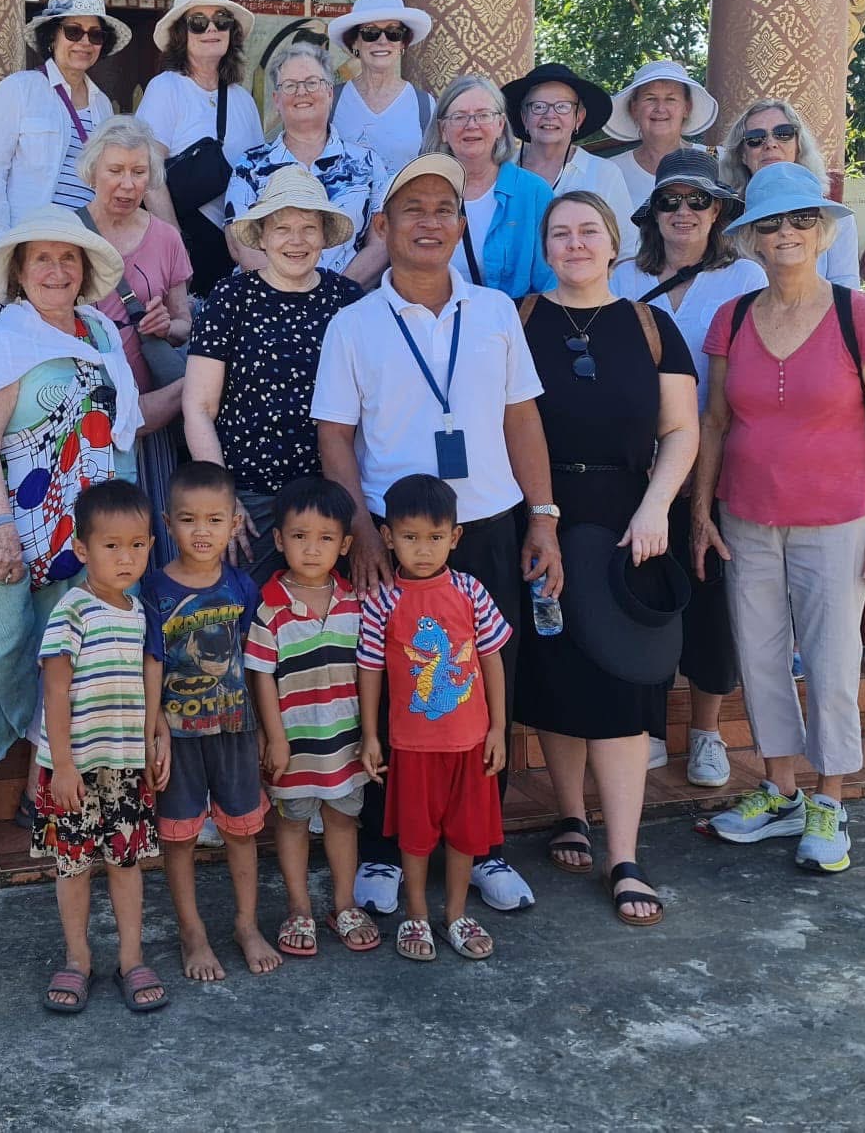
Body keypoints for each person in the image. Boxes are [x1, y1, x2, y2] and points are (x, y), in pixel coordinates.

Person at [311, 152, 562, 917]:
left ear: (461, 225)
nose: (428, 221)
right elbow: (335, 433)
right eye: (412, 209)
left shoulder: (492, 312)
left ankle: (480, 846)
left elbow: (522, 417)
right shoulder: (353, 324)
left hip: (485, 529)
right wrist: (364, 528)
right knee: (396, 695)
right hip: (397, 536)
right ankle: (389, 851)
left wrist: (543, 518)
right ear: (382, 227)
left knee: (486, 693)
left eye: (444, 208)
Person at [693, 162, 865, 875]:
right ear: (750, 238)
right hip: (747, 515)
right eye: (770, 223)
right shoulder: (732, 318)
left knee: (831, 661)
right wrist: (701, 510)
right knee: (757, 658)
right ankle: (780, 789)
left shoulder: (861, 315)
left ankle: (830, 799)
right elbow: (716, 420)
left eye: (800, 220)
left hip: (837, 519)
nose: (785, 232)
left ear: (820, 232)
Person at [0, 208, 142, 874]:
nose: (55, 270)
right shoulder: (6, 338)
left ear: (84, 272)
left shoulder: (103, 331)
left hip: (92, 535)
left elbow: (121, 425)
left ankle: (38, 789)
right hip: (16, 528)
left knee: (69, 661)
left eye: (68, 259)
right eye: (41, 259)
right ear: (21, 273)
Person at [516, 191, 698, 925]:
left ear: (615, 241)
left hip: (632, 523)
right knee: (558, 676)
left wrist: (657, 506)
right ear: (545, 247)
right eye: (560, 233)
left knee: (624, 688)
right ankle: (569, 814)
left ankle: (625, 854)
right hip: (541, 519)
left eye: (588, 230)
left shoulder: (653, 327)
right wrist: (536, 516)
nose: (575, 243)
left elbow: (682, 430)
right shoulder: (520, 320)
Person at [612, 148, 765, 787]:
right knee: (642, 595)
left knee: (711, 599)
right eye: (671, 201)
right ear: (654, 213)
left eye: (697, 200)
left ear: (719, 209)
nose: (683, 212)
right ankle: (646, 725)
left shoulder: (744, 279)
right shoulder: (621, 277)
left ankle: (705, 731)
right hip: (636, 463)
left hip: (719, 462)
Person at [357, 474, 513, 963]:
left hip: (471, 745)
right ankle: (418, 915)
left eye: (435, 538)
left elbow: (491, 659)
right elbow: (369, 667)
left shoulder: (470, 592)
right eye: (409, 537)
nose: (422, 550)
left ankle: (457, 915)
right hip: (412, 746)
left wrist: (498, 729)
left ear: (455, 536)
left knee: (467, 834)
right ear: (388, 537)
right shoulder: (384, 599)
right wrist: (370, 736)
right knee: (416, 837)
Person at [185, 167, 363, 581]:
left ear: (324, 236)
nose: (296, 240)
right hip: (250, 495)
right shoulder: (231, 298)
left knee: (328, 626)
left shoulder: (348, 300)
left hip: (331, 493)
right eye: (282, 228)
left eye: (308, 228)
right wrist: (220, 501)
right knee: (251, 622)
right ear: (262, 237)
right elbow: (198, 406)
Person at [32, 479, 169, 1014]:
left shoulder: (139, 614)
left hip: (125, 767)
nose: (126, 558)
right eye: (111, 547)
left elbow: (145, 685)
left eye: (137, 545)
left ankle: (131, 958)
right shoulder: (73, 611)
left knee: (126, 863)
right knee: (72, 866)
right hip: (75, 768)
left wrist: (154, 737)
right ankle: (77, 959)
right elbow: (55, 687)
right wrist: (62, 765)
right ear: (82, 550)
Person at [139, 462, 270, 981]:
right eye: (189, 520)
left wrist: (267, 729)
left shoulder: (243, 589)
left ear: (235, 523)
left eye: (215, 520)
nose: (201, 532)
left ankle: (246, 924)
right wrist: (155, 729)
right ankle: (192, 933)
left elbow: (260, 664)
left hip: (236, 733)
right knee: (180, 838)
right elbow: (150, 664)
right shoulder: (153, 591)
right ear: (168, 524)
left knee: (241, 832)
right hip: (180, 739)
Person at [246, 476, 376, 957]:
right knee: (294, 822)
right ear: (279, 540)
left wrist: (371, 735)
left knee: (343, 822)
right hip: (294, 745)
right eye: (300, 537)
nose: (312, 549)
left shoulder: (356, 604)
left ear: (344, 545)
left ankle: (343, 905)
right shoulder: (270, 609)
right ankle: (299, 908)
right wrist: (273, 738)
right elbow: (261, 675)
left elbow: (370, 673)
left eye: (325, 539)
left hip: (345, 743)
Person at [78, 116, 194, 561]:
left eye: (138, 172)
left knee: (148, 534)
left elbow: (184, 323)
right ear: (93, 172)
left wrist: (168, 326)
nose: (127, 184)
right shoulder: (67, 233)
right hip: (84, 416)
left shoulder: (165, 238)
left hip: (149, 417)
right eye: (115, 171)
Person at [134, 0, 266, 295]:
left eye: (221, 20)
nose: (211, 29)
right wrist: (176, 246)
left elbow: (260, 175)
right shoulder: (167, 88)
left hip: (236, 246)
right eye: (198, 22)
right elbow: (148, 171)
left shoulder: (243, 100)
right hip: (188, 240)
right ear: (182, 34)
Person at [0, 0, 128, 251]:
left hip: (86, 243)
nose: (84, 42)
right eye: (73, 31)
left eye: (95, 35)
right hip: (29, 240)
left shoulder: (102, 104)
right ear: (52, 37)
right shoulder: (20, 89)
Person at [223, 41, 388, 283]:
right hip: (268, 303)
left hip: (346, 302)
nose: (302, 92)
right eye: (290, 85)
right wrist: (293, 295)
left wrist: (333, 294)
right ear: (277, 100)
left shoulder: (367, 162)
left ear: (330, 92)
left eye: (312, 82)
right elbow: (239, 244)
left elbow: (382, 240)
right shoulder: (250, 166)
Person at [426, 74, 556, 299]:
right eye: (459, 116)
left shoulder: (534, 193)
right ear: (442, 130)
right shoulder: (420, 193)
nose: (471, 125)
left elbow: (550, 283)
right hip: (434, 325)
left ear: (500, 125)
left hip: (513, 328)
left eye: (483, 115)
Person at [718, 97, 861, 287]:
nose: (770, 144)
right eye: (755, 138)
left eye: (783, 134)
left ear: (798, 145)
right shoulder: (723, 221)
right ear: (742, 154)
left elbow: (847, 295)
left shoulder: (835, 218)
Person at [504, 61, 635, 260]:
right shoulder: (501, 170)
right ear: (524, 117)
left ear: (578, 118)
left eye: (562, 107)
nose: (550, 115)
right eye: (538, 107)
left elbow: (626, 250)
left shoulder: (603, 173)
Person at [326, 0, 436, 173]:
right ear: (355, 43)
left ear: (402, 43)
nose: (383, 41)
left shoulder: (424, 105)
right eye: (371, 32)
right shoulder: (331, 101)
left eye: (393, 32)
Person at [603, 59, 719, 210]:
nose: (660, 108)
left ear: (686, 108)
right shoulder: (611, 170)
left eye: (671, 99)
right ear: (634, 108)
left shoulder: (716, 158)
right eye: (650, 99)